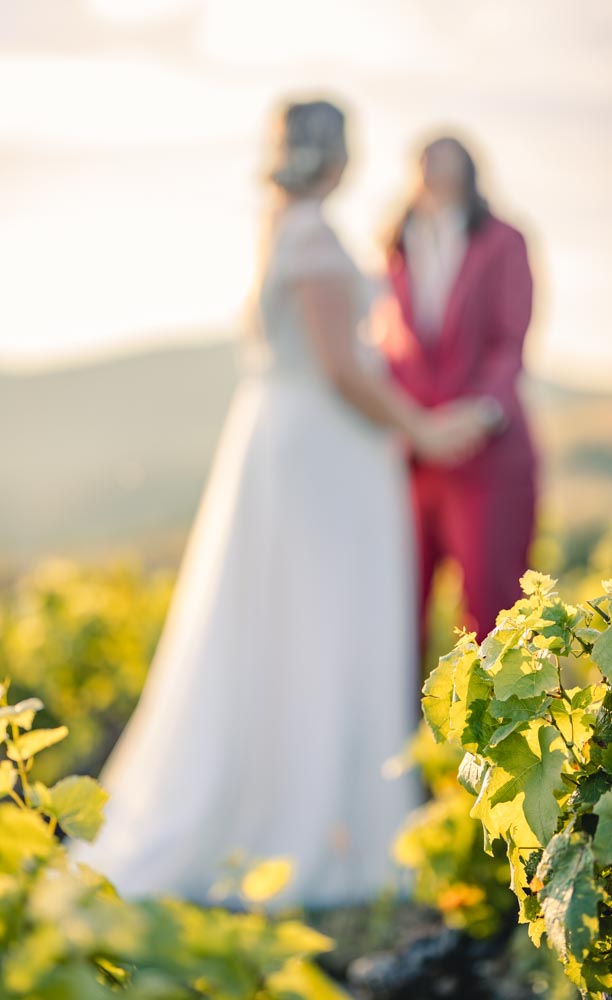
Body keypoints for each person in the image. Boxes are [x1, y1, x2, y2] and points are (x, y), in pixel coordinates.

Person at [71, 102, 488, 909]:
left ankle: (295, 811)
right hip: (324, 455)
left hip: (287, 444)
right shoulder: (312, 234)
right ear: (334, 155)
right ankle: (320, 828)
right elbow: (342, 368)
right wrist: (426, 430)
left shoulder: (281, 223)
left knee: (285, 625)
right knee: (322, 625)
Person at [376, 134, 537, 650]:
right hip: (410, 456)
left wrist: (480, 414)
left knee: (492, 616)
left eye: (449, 164)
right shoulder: (395, 244)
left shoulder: (504, 240)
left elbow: (510, 341)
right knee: (396, 613)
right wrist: (406, 423)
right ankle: (400, 728)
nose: (436, 175)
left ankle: (499, 727)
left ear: (471, 172)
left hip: (485, 452)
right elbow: (390, 345)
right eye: (426, 164)